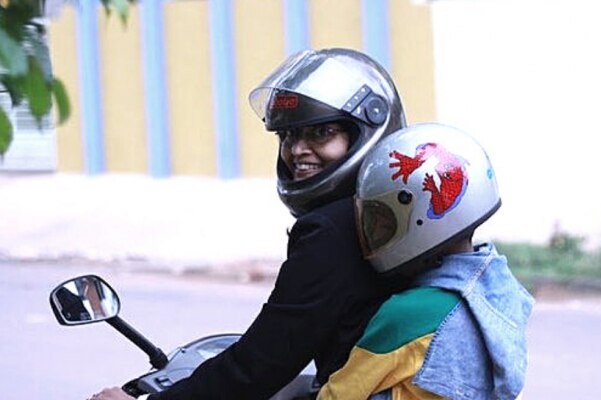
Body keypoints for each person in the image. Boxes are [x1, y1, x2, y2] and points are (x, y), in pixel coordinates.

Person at [91, 48, 407, 400]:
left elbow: (262, 362)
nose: (297, 149)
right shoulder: (395, 212)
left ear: (365, 133)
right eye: (288, 135)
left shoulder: (333, 231)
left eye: (321, 132)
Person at [317, 123, 535, 400]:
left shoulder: (409, 314)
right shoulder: (501, 294)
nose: (376, 232)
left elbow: (337, 396)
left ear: (420, 216)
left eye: (383, 221)